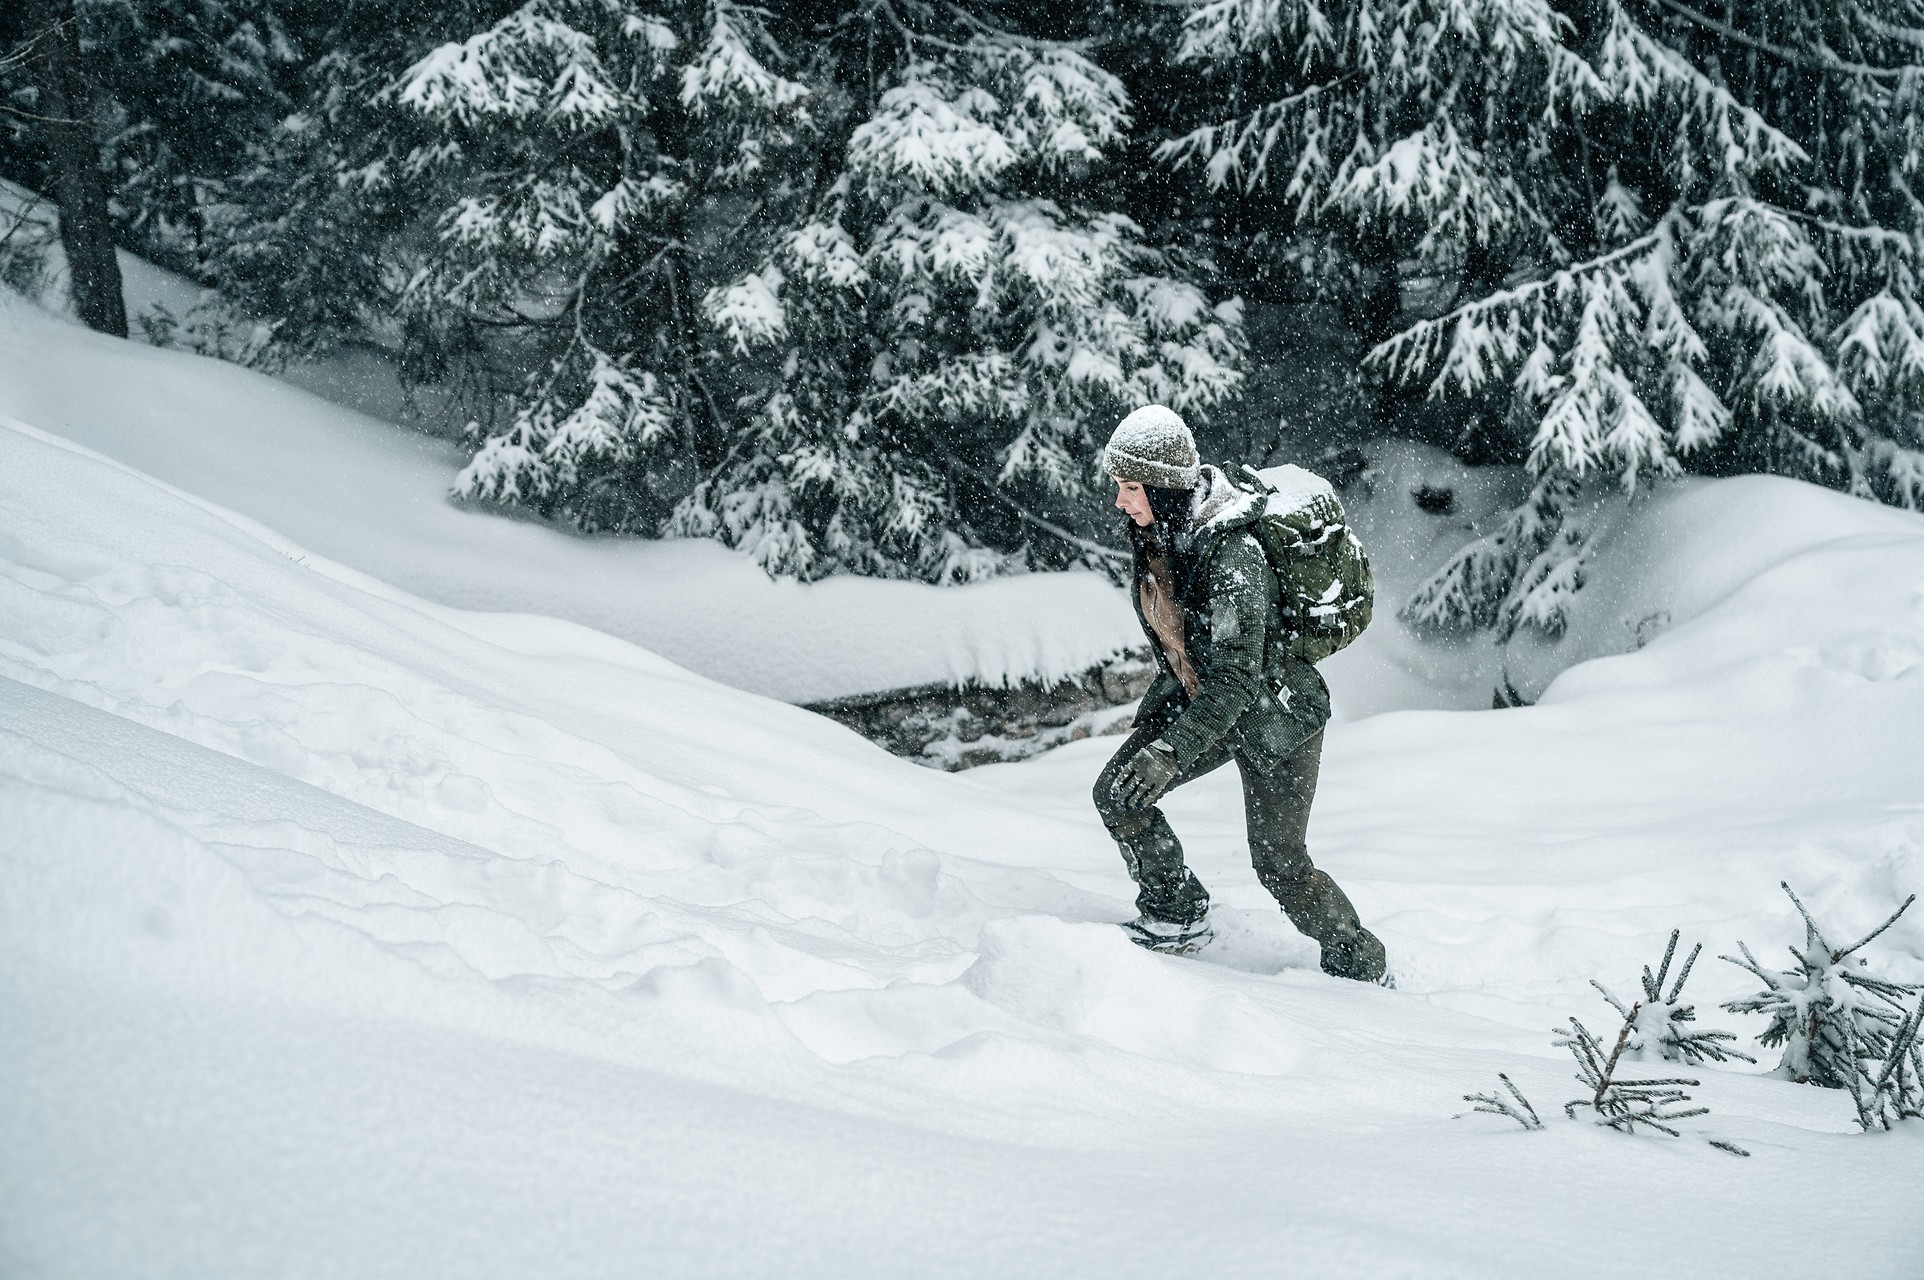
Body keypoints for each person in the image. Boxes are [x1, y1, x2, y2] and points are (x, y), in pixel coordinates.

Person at [1093, 404, 1387, 982]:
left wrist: (1170, 751)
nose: (1122, 501)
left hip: (1277, 718)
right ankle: (1176, 913)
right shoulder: (1161, 536)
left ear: (1163, 486)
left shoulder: (1236, 558)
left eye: (1131, 487)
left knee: (1280, 866)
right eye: (1120, 487)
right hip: (1207, 704)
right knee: (1119, 793)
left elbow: (1237, 681)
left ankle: (1361, 964)